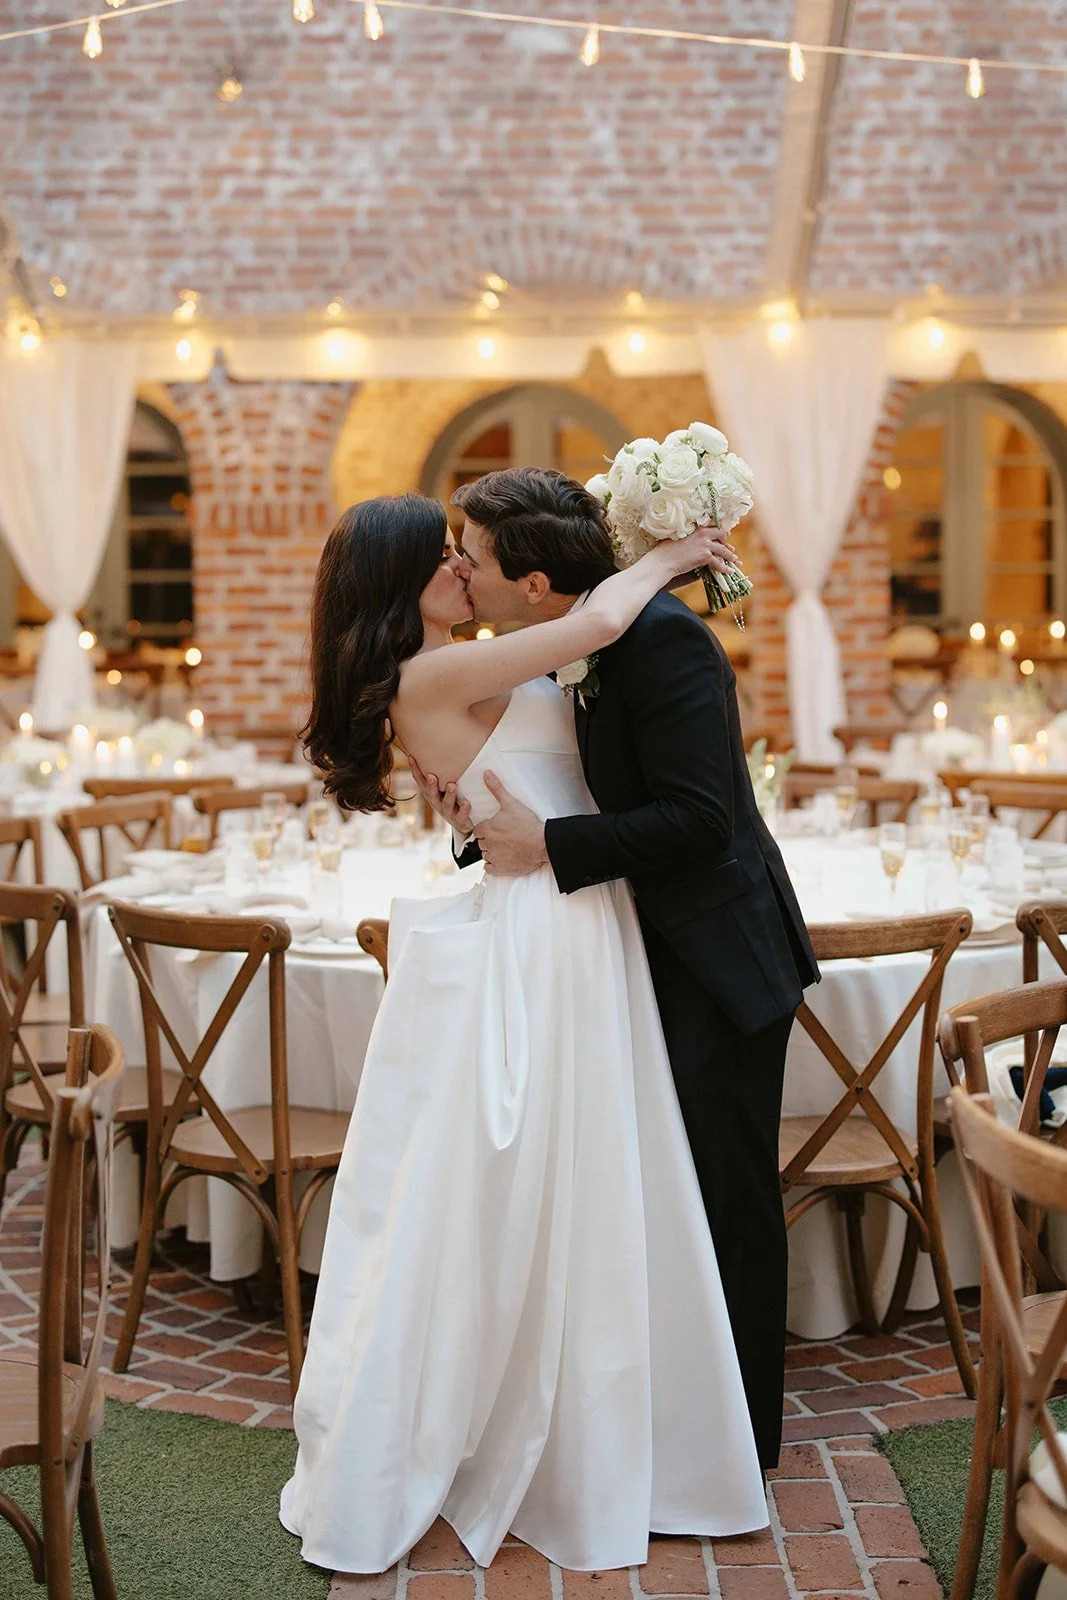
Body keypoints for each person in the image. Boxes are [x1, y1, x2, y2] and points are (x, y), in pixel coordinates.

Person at [280, 491, 768, 1574]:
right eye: (444, 556)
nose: (462, 568)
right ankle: (540, 1421)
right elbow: (594, 627)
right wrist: (672, 555)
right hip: (546, 932)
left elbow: (542, 738)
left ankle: (592, 1410)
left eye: (466, 554)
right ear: (403, 578)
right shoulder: (432, 672)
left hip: (573, 913)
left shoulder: (468, 664)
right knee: (554, 1171)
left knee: (582, 1171)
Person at [414, 468, 819, 1473]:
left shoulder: (665, 642)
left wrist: (546, 848)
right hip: (640, 953)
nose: (460, 567)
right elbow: (563, 782)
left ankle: (744, 1440)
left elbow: (697, 820)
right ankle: (671, 1419)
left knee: (723, 1203)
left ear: (537, 586)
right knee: (659, 1200)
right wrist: (486, 834)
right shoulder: (575, 647)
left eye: (474, 554)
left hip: (717, 959)